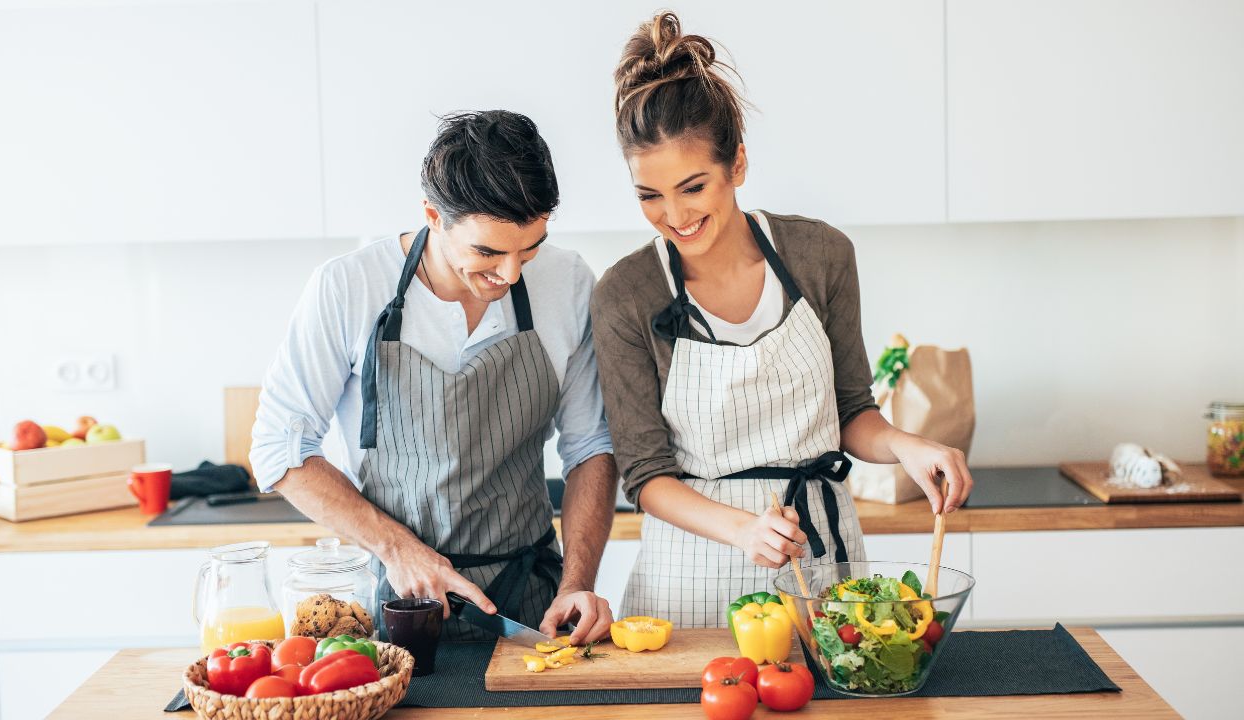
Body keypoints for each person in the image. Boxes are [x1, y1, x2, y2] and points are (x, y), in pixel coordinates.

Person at [590, 12, 975, 626]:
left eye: (693, 187)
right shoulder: (626, 294)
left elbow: (852, 412)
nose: (673, 214)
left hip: (820, 564)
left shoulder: (820, 255)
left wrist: (904, 444)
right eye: (649, 195)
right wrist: (744, 529)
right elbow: (646, 476)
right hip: (691, 581)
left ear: (737, 165)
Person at [251, 110, 617, 643]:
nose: (511, 272)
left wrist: (577, 582)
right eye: (487, 251)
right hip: (398, 603)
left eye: (529, 247)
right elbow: (278, 449)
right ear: (432, 215)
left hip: (531, 601)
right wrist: (398, 549)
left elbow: (590, 447)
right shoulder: (348, 287)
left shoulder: (568, 281)